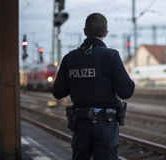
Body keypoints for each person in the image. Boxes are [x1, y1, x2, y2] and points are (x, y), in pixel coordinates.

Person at [52, 13, 135, 160]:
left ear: (85, 32)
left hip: (80, 124)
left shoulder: (70, 57)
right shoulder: (110, 56)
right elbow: (126, 91)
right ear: (106, 33)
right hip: (105, 125)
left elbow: (58, 92)